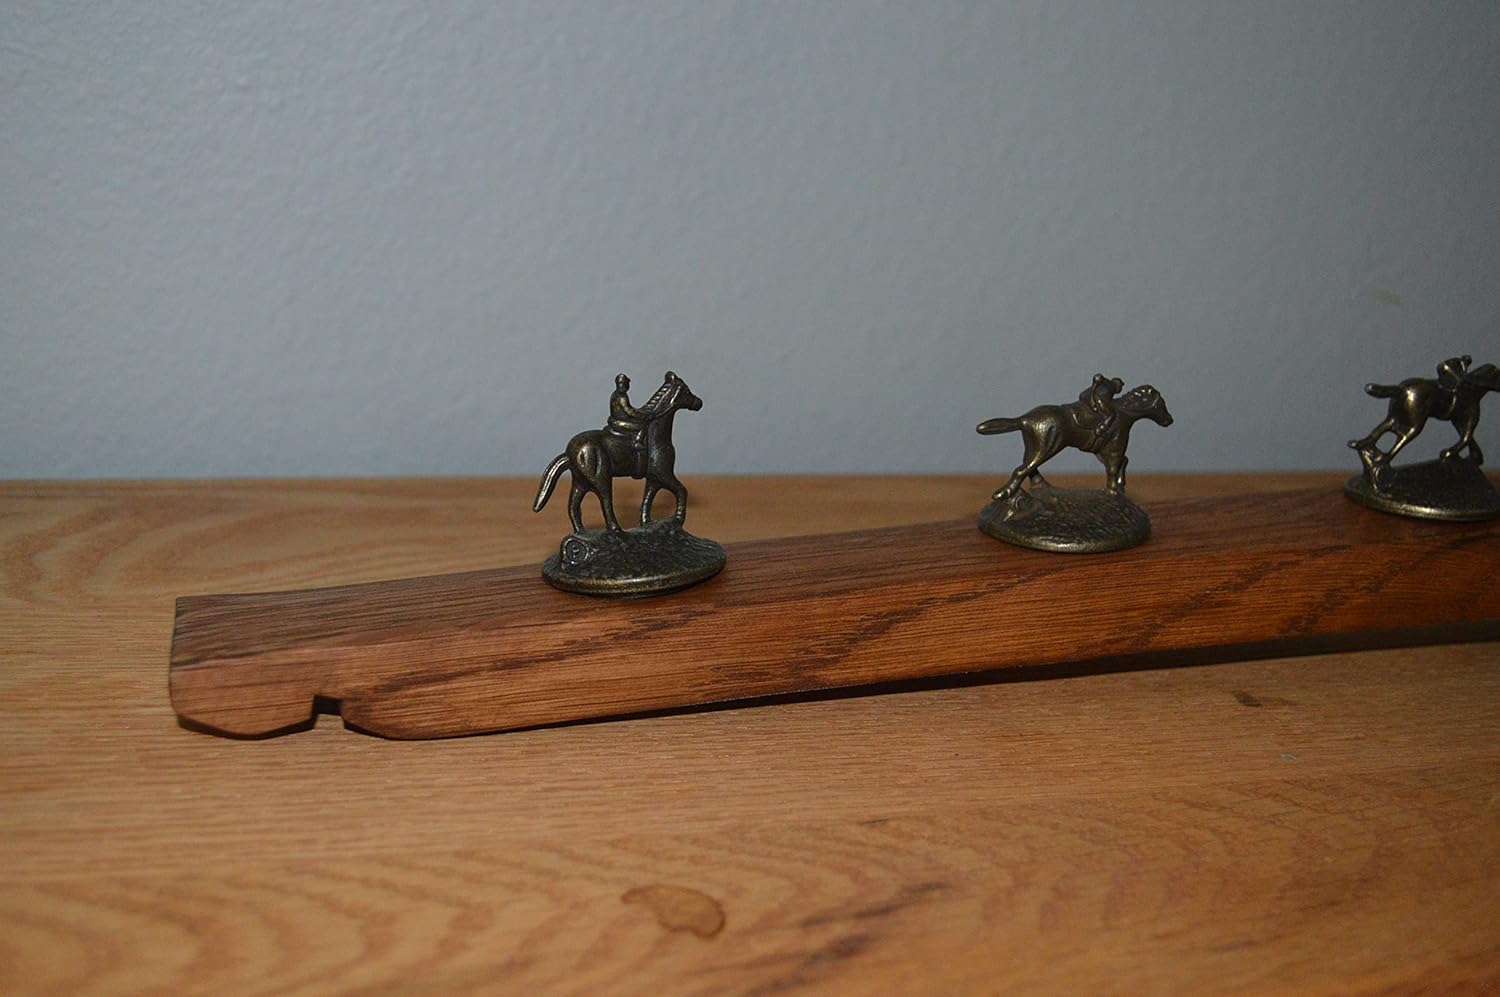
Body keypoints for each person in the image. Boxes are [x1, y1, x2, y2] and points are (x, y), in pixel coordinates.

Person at [605, 373, 653, 448]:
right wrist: (643, 416)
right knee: (643, 426)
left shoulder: (615, 394)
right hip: (619, 422)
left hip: (614, 420)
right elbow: (629, 411)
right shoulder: (622, 397)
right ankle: (638, 443)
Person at [1078, 373, 1122, 445]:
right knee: (1111, 415)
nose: (1120, 389)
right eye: (1120, 386)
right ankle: (1100, 429)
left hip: (1086, 396)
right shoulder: (1110, 385)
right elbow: (1098, 377)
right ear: (1117, 384)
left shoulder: (1106, 385)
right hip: (1098, 399)